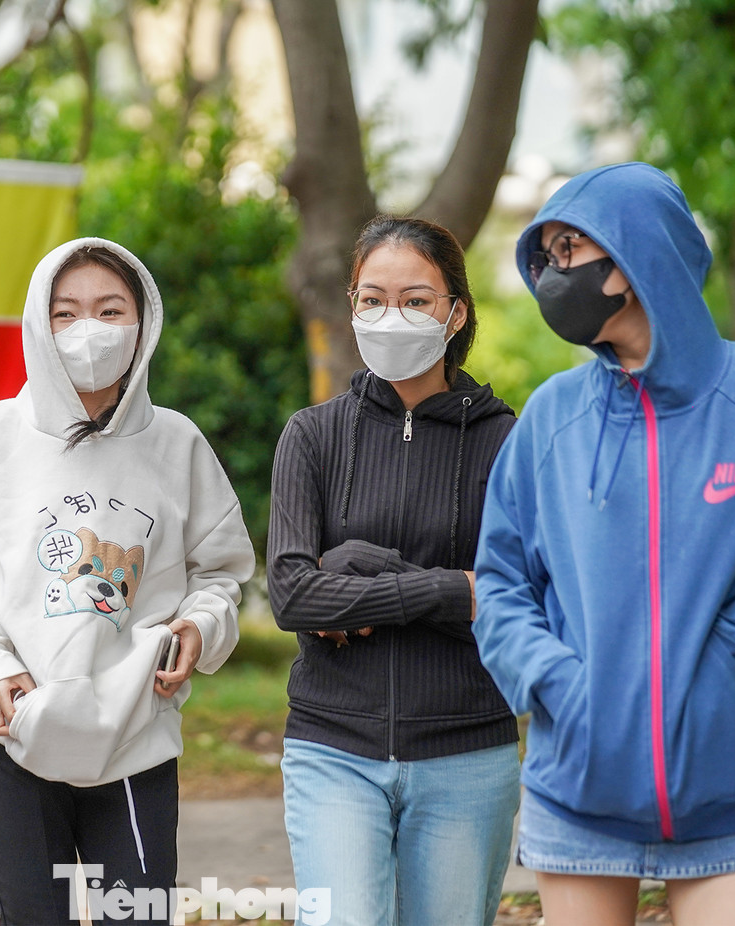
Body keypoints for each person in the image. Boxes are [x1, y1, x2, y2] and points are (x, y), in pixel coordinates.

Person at [474, 162, 735, 926]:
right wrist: (553, 680)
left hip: (729, 793)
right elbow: (499, 580)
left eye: (568, 249)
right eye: (546, 255)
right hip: (578, 793)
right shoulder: (551, 416)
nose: (549, 272)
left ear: (633, 261)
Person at [0, 237, 256, 925]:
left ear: (143, 324)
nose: (89, 330)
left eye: (110, 310)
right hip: (10, 739)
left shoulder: (177, 444)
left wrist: (197, 630)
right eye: (66, 313)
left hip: (134, 735)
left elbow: (225, 572)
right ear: (37, 323)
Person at [267, 216, 522, 926]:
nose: (392, 316)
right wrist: (450, 588)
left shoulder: (510, 443)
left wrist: (355, 574)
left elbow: (518, 598)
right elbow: (292, 593)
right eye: (372, 299)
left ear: (456, 313)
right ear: (351, 306)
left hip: (467, 750)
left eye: (416, 299)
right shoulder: (311, 436)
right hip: (332, 748)